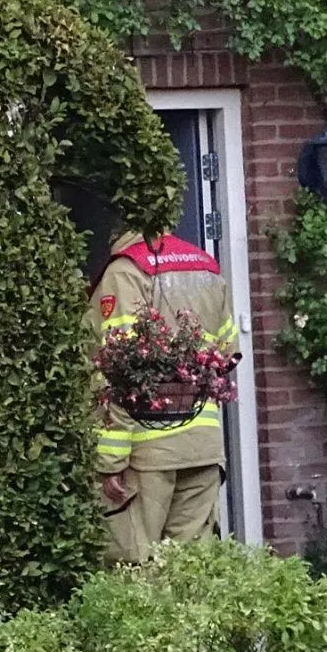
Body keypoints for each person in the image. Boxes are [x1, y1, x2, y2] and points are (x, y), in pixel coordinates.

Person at [86, 230, 239, 564]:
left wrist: (111, 460)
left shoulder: (125, 273)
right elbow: (227, 352)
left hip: (147, 453)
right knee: (188, 573)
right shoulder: (205, 267)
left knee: (137, 569)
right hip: (202, 446)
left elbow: (117, 370)